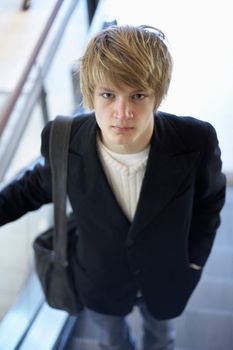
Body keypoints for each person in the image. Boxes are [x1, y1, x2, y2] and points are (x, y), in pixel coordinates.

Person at [0, 25, 226, 350]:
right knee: (111, 343)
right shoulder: (64, 139)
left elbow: (210, 201)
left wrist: (195, 259)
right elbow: (34, 187)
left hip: (167, 275)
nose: (123, 113)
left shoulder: (195, 141)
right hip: (99, 277)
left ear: (157, 95)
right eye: (109, 95)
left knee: (161, 338)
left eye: (138, 95)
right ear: (91, 94)